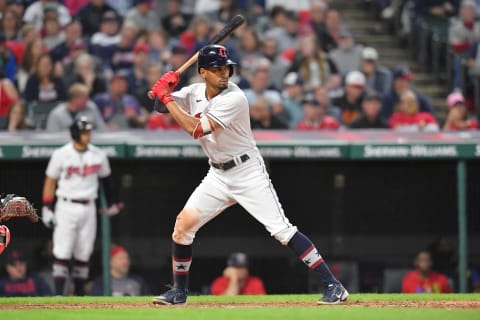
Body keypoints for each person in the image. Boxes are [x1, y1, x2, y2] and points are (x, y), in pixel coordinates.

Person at [149, 44, 349, 305]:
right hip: (218, 174)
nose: (224, 73)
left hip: (246, 171)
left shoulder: (235, 97)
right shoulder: (195, 91)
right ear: (202, 73)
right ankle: (179, 292)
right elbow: (160, 108)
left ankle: (333, 285)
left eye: (226, 68)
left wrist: (166, 97)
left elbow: (195, 129)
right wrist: (165, 87)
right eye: (217, 69)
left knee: (281, 230)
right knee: (182, 227)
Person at [41, 117, 122, 296]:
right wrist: (47, 207)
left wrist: (112, 203)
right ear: (76, 133)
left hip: (88, 207)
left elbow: (107, 181)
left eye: (88, 132)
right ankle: (59, 294)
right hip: (66, 205)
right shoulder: (61, 154)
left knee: (84, 253)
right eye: (84, 132)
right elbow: (50, 181)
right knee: (62, 251)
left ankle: (78, 296)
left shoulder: (98, 154)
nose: (88, 135)